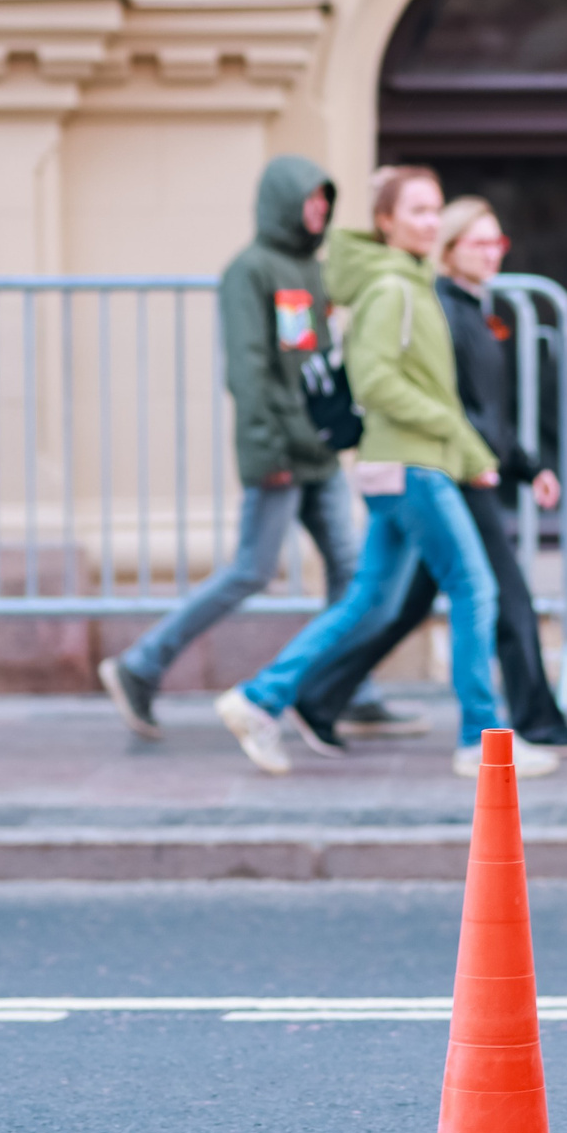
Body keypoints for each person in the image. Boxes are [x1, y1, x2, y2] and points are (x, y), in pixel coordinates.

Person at [214, 167, 560, 780]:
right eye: (417, 211)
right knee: (474, 590)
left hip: (407, 464)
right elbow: (376, 383)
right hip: (412, 466)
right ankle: (480, 738)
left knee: (369, 601)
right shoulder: (391, 289)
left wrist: (469, 454)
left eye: (435, 210)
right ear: (385, 222)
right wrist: (462, 442)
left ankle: (260, 698)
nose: (430, 222)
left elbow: (413, 385)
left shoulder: (404, 282)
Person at [95, 155, 418, 751]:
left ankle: (352, 691)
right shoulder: (251, 270)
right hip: (279, 449)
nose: (320, 212)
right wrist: (271, 446)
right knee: (252, 569)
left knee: (351, 575)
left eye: (326, 202)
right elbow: (250, 370)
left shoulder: (310, 270)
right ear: (284, 201)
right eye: (311, 201)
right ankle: (142, 665)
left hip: (315, 450)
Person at [299, 197, 567, 754]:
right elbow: (457, 407)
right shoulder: (442, 308)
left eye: (498, 243)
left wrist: (524, 464)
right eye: (478, 243)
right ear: (449, 251)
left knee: (408, 602)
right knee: (501, 594)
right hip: (455, 470)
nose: (492, 255)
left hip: (464, 464)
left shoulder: (473, 309)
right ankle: (528, 722)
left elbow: (487, 412)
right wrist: (503, 464)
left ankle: (316, 694)